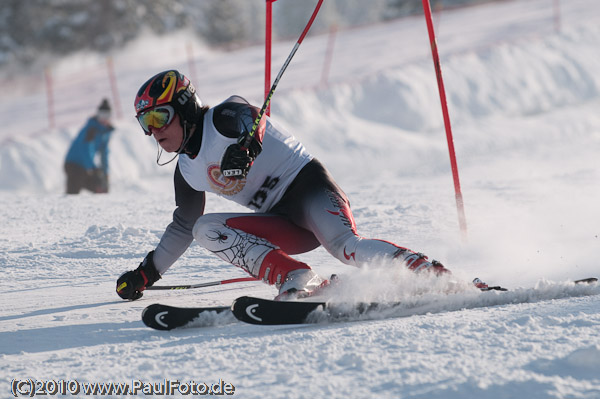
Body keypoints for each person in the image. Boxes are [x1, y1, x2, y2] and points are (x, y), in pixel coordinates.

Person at [116, 70, 452, 302]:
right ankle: (296, 278)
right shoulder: (187, 171)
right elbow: (182, 228)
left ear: (184, 108)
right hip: (284, 224)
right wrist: (145, 275)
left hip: (310, 191)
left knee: (344, 246)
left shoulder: (222, 118)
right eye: (145, 123)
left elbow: (252, 118)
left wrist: (246, 147)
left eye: (159, 117)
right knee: (204, 227)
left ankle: (426, 270)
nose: (153, 131)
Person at [64, 98, 114, 194]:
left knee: (101, 188)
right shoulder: (91, 129)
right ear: (98, 115)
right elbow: (86, 148)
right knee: (73, 193)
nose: (104, 119)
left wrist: (105, 172)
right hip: (73, 165)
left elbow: (104, 153)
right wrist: (93, 169)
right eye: (102, 115)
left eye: (106, 115)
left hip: (86, 166)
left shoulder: (105, 132)